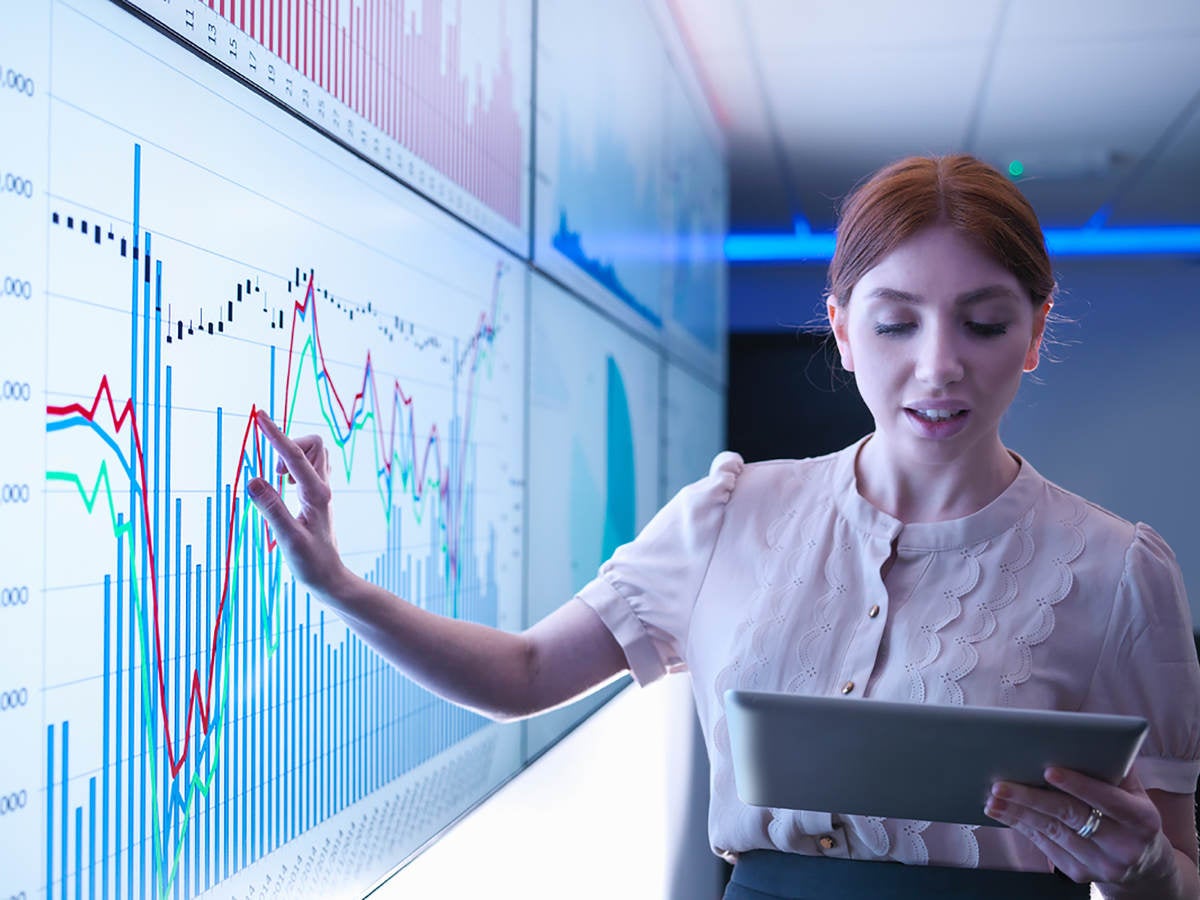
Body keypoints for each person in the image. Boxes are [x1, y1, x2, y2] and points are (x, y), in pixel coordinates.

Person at [246, 154, 1200, 899]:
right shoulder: (732, 512)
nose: (938, 365)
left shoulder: (1118, 573)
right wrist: (344, 588)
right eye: (895, 323)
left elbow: (1177, 874)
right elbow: (525, 675)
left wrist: (1142, 870)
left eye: (984, 325)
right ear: (839, 328)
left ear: (1036, 333)